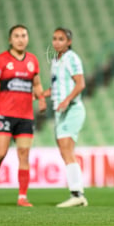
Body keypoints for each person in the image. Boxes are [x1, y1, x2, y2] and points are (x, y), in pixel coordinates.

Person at [0, 24, 47, 207]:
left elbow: (36, 84)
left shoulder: (33, 60)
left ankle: (22, 197)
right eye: (17, 36)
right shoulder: (1, 60)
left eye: (24, 35)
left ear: (27, 38)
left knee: (24, 154)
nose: (21, 39)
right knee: (0, 153)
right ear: (10, 39)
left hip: (26, 116)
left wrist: (41, 97)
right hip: (4, 114)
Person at [42, 27, 88, 207]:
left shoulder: (72, 58)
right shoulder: (55, 60)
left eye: (60, 39)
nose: (56, 42)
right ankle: (77, 193)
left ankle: (77, 193)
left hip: (72, 109)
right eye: (54, 39)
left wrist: (67, 100)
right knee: (64, 151)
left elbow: (80, 83)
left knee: (67, 150)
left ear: (68, 41)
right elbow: (56, 87)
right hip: (60, 110)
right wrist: (40, 95)